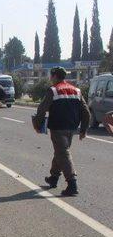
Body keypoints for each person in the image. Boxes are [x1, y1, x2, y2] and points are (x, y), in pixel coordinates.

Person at [32, 67, 90, 196]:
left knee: (63, 153)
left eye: (51, 76)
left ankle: (72, 183)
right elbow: (86, 112)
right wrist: (84, 129)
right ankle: (54, 177)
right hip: (72, 128)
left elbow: (42, 109)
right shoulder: (77, 90)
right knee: (61, 151)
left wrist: (37, 124)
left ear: (54, 76)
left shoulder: (53, 90)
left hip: (58, 128)